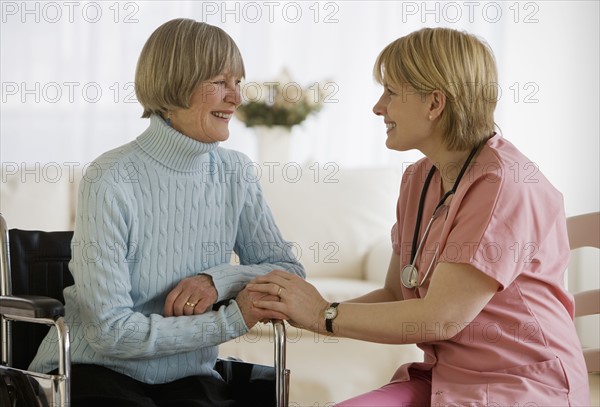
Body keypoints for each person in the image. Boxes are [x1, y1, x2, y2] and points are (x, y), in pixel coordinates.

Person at [248, 27, 590, 406]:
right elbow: (394, 294)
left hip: (521, 384)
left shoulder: (504, 185)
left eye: (391, 93)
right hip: (446, 379)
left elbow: (440, 318)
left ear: (434, 103)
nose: (379, 108)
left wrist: (323, 315)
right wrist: (302, 311)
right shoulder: (418, 179)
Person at [29, 18, 305, 407]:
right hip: (94, 371)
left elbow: (289, 271)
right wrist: (228, 321)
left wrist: (217, 280)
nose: (237, 97)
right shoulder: (110, 177)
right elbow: (111, 333)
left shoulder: (235, 172)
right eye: (221, 82)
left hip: (188, 376)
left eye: (238, 82)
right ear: (176, 84)